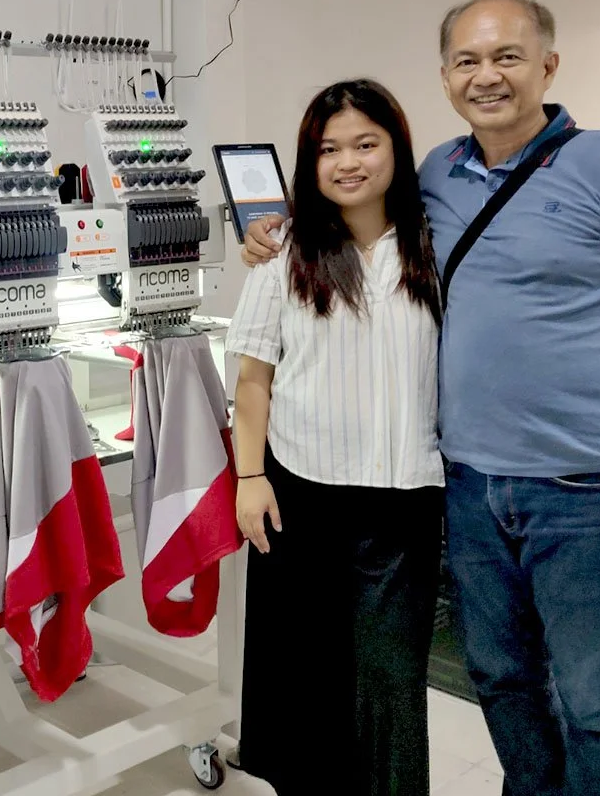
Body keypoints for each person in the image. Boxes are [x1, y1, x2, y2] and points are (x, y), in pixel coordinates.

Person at [241, 0, 600, 796]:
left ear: (548, 66)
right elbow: (357, 211)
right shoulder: (437, 177)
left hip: (589, 487)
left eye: (506, 56)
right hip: (467, 484)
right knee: (502, 680)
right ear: (446, 76)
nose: (486, 75)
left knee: (599, 698)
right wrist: (277, 224)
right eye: (467, 60)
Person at [226, 79, 445, 795]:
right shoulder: (285, 252)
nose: (347, 162)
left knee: (390, 684)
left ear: (395, 149)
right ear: (308, 162)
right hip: (302, 497)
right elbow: (253, 377)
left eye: (365, 144)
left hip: (405, 502)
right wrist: (248, 478)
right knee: (305, 686)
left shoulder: (433, 247)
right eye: (328, 149)